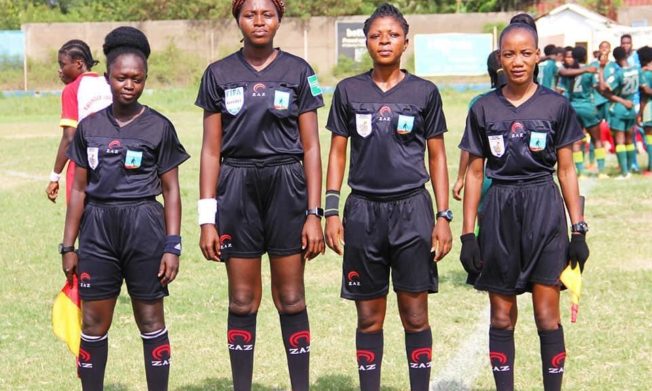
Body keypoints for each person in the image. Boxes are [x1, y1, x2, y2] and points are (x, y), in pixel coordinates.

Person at [195, 0, 325, 390]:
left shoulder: (300, 71)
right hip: (236, 187)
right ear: (237, 18)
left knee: (290, 298)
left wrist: (314, 212)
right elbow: (210, 151)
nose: (258, 21)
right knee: (242, 300)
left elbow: (312, 148)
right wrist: (207, 218)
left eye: (267, 14)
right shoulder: (218, 74)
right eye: (250, 14)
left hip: (287, 186)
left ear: (279, 18)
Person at [324, 4, 452, 390]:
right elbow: (336, 153)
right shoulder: (348, 90)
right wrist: (331, 209)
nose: (384, 41)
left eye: (392, 35)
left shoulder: (425, 92)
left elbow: (438, 156)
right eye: (376, 35)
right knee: (369, 318)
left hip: (412, 210)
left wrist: (443, 216)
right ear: (366, 41)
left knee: (415, 316)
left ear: (405, 43)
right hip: (362, 211)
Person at [459, 22, 589, 391]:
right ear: (500, 59)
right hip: (499, 211)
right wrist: (469, 234)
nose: (517, 61)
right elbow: (473, 173)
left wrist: (578, 229)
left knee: (547, 316)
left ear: (537, 56)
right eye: (509, 54)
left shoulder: (556, 105)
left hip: (544, 211)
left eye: (525, 53)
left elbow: (566, 170)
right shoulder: (483, 107)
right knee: (501, 318)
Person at [60, 26, 189, 391]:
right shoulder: (89, 128)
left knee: (150, 320)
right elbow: (79, 189)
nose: (128, 85)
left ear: (145, 79)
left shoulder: (159, 127)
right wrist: (69, 246)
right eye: (121, 78)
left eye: (136, 78)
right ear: (107, 78)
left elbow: (172, 190)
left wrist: (172, 244)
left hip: (144, 225)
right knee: (93, 324)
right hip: (98, 229)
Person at [46, 40, 112, 204]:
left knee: (79, 221)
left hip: (83, 164)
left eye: (63, 64)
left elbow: (69, 138)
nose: (60, 70)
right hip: (113, 160)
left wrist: (55, 176)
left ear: (78, 64)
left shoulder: (72, 89)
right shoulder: (108, 82)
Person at [599, 46, 642, 179]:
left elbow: (604, 88)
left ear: (616, 58)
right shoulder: (636, 70)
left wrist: (601, 69)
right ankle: (630, 168)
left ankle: (624, 173)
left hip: (620, 108)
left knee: (620, 140)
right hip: (632, 108)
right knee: (630, 139)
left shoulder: (619, 73)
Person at [567, 47, 604, 176]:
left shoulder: (570, 72)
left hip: (573, 107)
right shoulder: (590, 70)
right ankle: (601, 171)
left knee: (576, 142)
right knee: (597, 140)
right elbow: (599, 87)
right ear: (585, 56)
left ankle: (581, 172)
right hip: (587, 107)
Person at [637, 45, 652, 176]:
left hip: (649, 107)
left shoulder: (645, 74)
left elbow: (646, 93)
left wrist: (640, 113)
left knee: (650, 138)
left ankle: (651, 168)